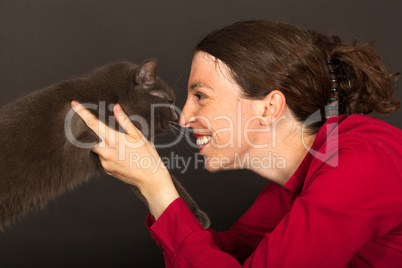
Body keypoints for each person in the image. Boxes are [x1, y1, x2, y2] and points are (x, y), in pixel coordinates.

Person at [71, 20, 402, 267]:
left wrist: (157, 185)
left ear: (269, 108)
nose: (183, 117)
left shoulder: (358, 167)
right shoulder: (293, 183)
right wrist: (150, 181)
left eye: (200, 95)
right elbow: (219, 253)